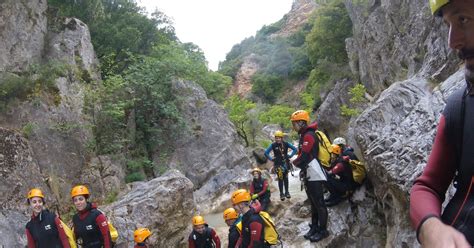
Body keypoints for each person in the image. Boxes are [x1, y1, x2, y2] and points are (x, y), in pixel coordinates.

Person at [410, 0, 474, 247]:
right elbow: (428, 186)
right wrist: (430, 226)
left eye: (463, 20)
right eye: (448, 24)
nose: (452, 41)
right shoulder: (461, 106)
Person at [290, 110, 329, 242]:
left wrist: (294, 163)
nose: (293, 127)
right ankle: (315, 226)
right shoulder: (304, 135)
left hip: (314, 172)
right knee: (313, 203)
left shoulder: (309, 135)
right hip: (309, 172)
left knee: (319, 202)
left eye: (294, 124)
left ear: (301, 122)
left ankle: (323, 230)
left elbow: (305, 156)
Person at [264, 130, 297, 201]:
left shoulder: (286, 144)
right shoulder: (273, 145)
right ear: (275, 138)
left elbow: (295, 149)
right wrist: (271, 159)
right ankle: (281, 194)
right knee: (280, 178)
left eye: (279, 138)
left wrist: (290, 155)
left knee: (286, 178)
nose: (278, 139)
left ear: (282, 138)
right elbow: (266, 152)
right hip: (278, 164)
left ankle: (287, 192)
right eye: (276, 138)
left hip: (286, 163)